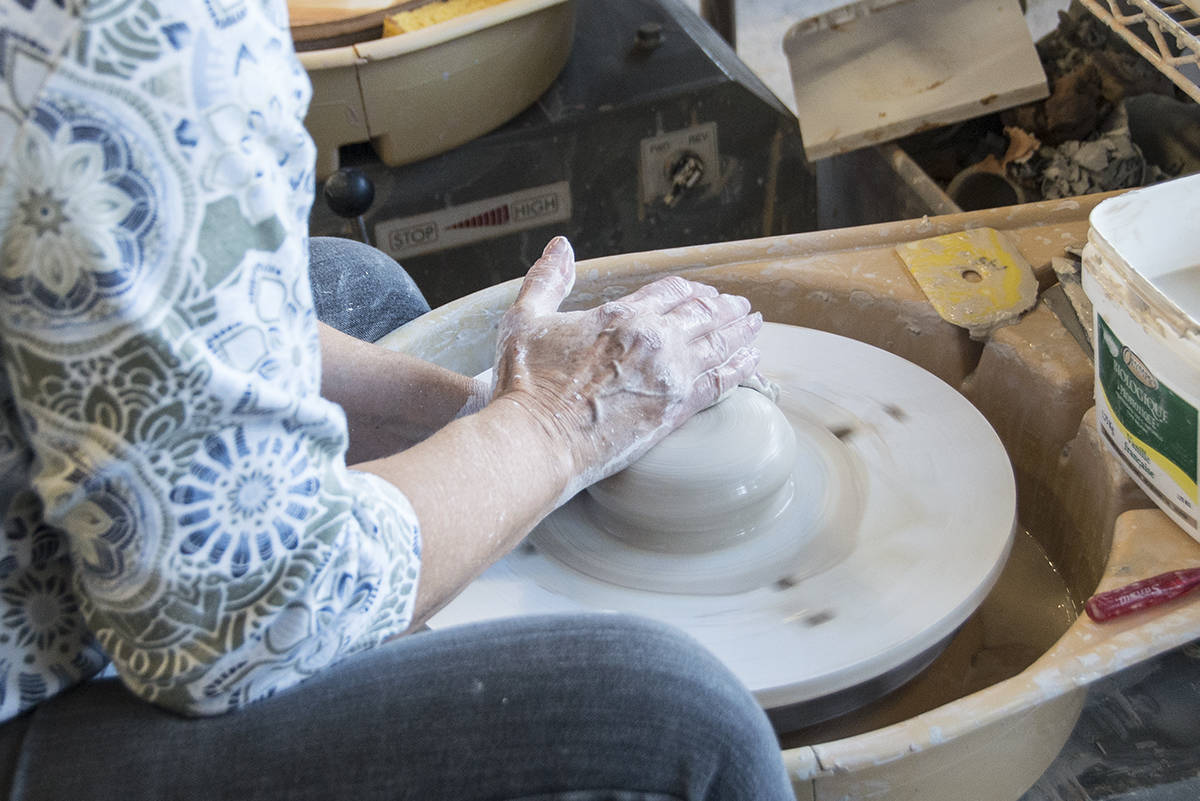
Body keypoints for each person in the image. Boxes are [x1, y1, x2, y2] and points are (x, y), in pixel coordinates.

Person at [0, 1, 792, 798]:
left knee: (361, 290)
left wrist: (477, 412)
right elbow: (238, 617)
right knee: (684, 723)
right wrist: (562, 422)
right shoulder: (136, 37)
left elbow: (141, 299)